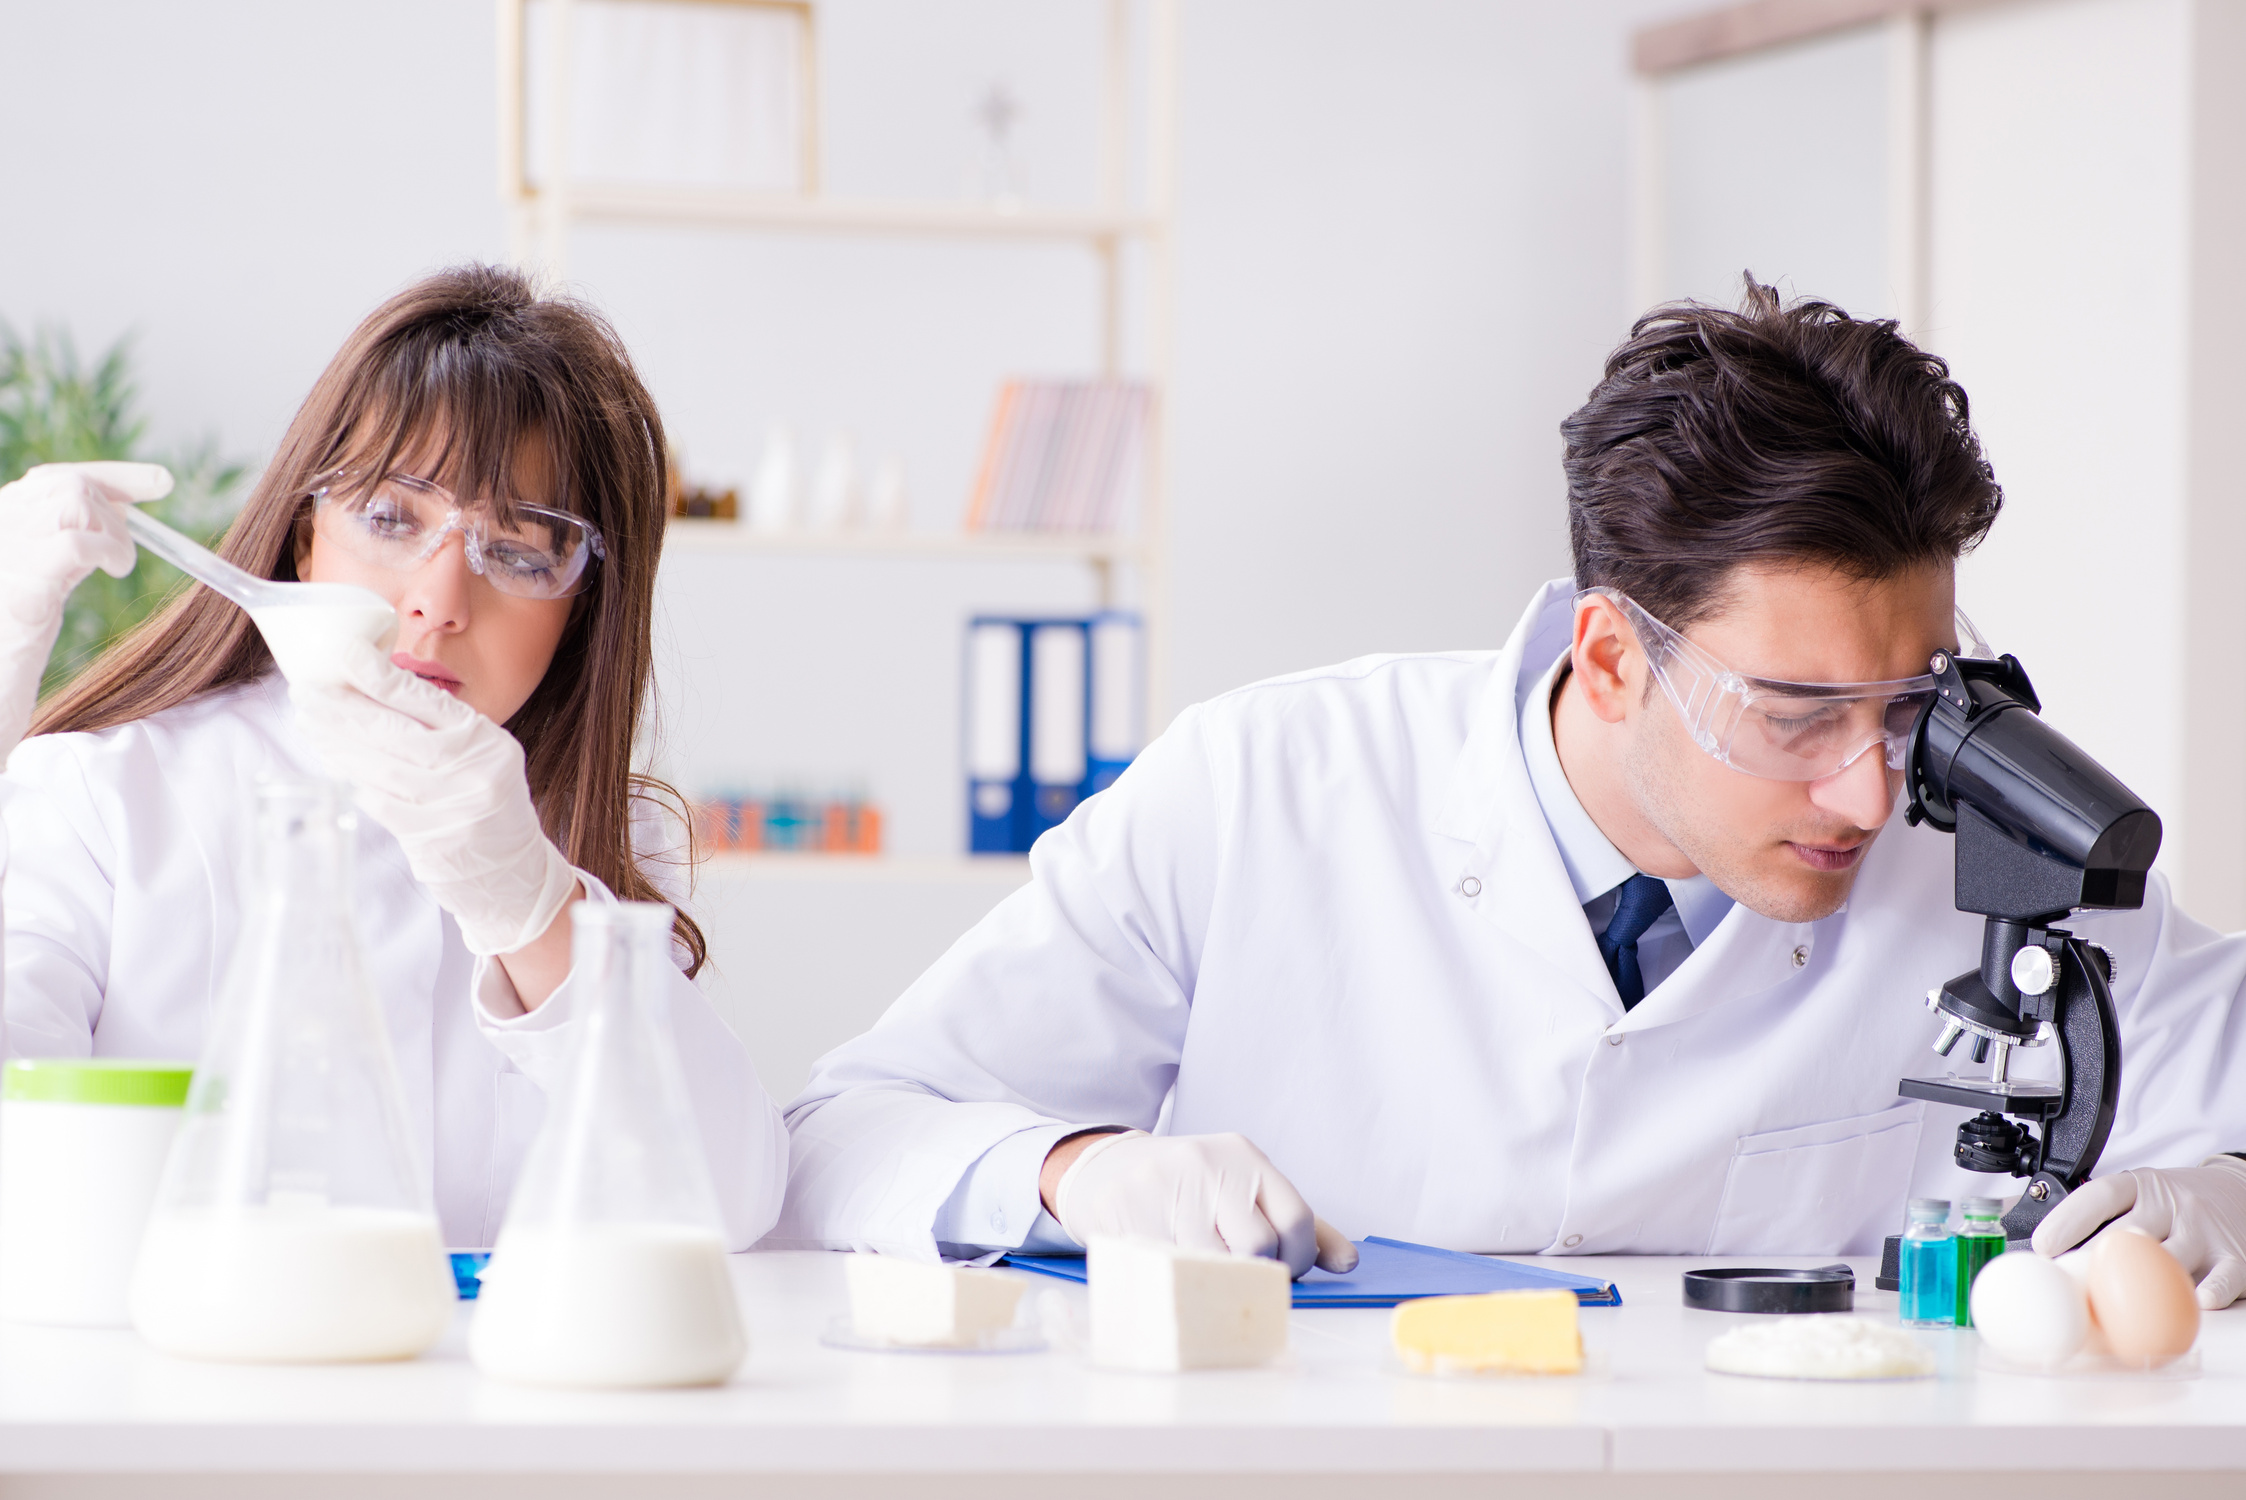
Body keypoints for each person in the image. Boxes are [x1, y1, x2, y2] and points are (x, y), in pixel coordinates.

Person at [774, 280, 2246, 1307]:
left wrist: (2230, 1193)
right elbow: (841, 1134)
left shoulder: (1975, 862)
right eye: (1797, 713)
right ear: (1611, 659)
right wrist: (1074, 1173)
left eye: (1910, 704)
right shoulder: (1261, 788)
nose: (1868, 793)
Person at [0, 265, 785, 1251]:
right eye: (388, 519)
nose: (440, 600)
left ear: (580, 607)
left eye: (522, 547)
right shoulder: (112, 791)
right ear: (302, 540)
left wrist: (532, 909)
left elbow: (732, 1203)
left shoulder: (599, 837)